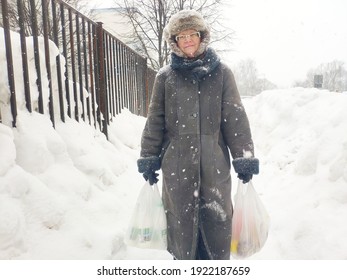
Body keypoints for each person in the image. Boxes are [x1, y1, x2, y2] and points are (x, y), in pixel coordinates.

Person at [137, 9, 259, 260]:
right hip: (177, 167)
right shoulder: (165, 78)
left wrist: (243, 157)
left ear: (202, 36)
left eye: (193, 34)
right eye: (182, 36)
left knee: (217, 221)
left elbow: (235, 118)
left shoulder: (222, 73)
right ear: (175, 42)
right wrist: (149, 156)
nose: (188, 40)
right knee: (181, 227)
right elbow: (155, 120)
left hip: (215, 166)